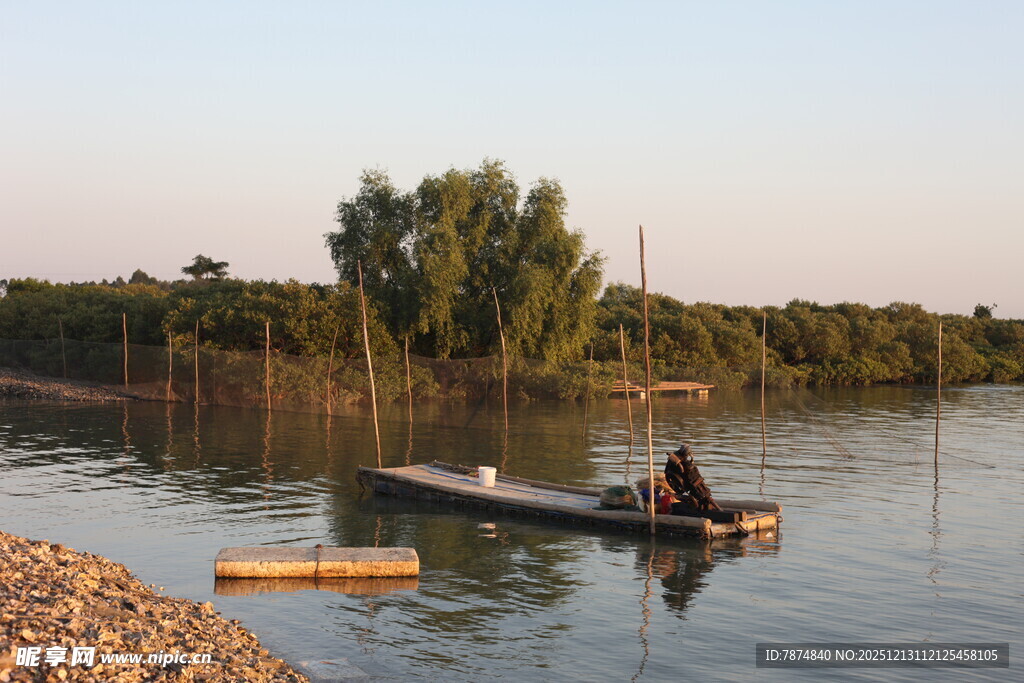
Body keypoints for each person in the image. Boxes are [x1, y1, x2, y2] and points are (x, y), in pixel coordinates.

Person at [664, 443, 721, 512]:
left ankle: (703, 502)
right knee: (697, 492)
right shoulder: (677, 462)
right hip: (685, 481)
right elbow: (671, 474)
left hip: (691, 480)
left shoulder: (681, 461)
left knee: (701, 491)